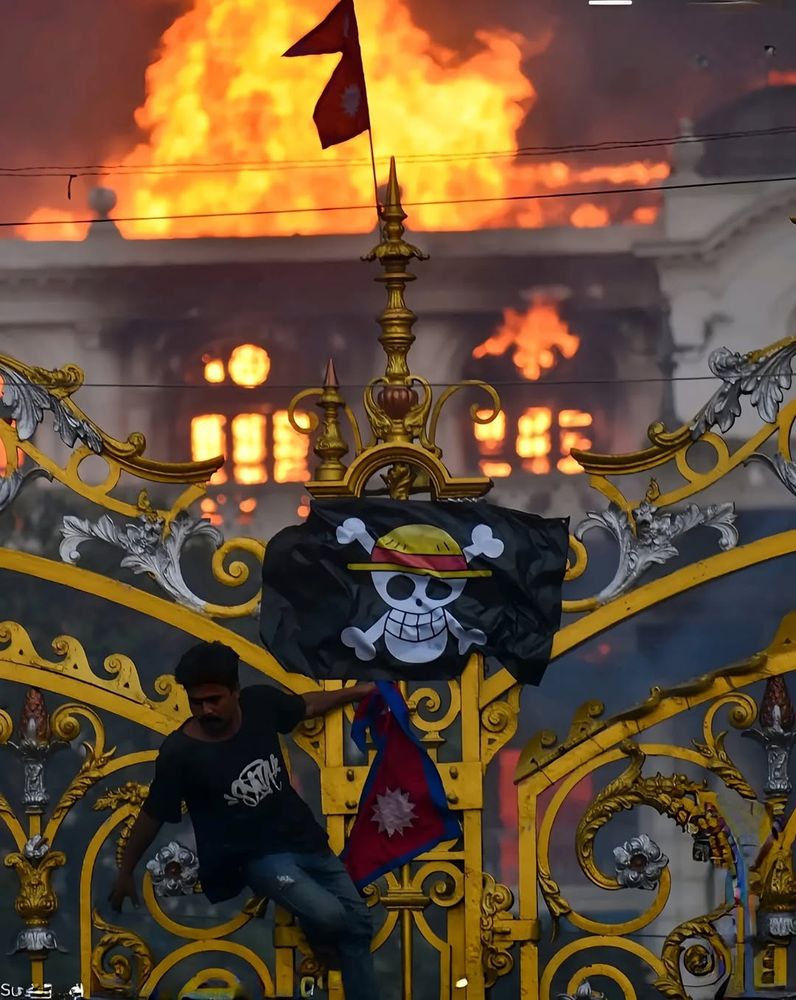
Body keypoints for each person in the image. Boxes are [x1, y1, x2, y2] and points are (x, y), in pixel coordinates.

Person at [109, 641, 380, 1000]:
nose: (206, 710)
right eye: (197, 702)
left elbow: (307, 705)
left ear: (235, 692)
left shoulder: (260, 705)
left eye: (214, 699)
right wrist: (126, 870)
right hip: (258, 859)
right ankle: (318, 932)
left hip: (304, 838)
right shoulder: (181, 754)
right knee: (330, 916)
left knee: (358, 924)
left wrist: (357, 692)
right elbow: (153, 814)